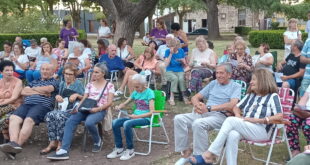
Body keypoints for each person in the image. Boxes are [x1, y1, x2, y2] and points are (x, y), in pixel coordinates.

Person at [189, 69, 283, 165]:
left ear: (263, 80)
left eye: (254, 80)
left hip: (262, 131)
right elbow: (236, 107)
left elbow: (279, 116)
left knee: (230, 120)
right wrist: (238, 116)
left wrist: (258, 120)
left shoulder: (273, 96)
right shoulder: (251, 95)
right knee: (232, 134)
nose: (250, 82)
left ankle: (209, 154)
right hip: (248, 127)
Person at [174, 63, 241, 165]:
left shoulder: (235, 86)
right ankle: (185, 152)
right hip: (204, 113)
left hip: (220, 116)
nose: (218, 75)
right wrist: (197, 106)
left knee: (198, 123)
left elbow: (232, 105)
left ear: (229, 75)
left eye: (221, 73)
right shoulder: (213, 83)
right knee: (179, 118)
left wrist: (209, 108)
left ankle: (200, 158)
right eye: (217, 73)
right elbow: (194, 97)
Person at [47, 63, 114, 160]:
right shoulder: (90, 85)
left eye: (96, 72)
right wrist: (77, 107)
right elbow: (85, 98)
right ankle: (64, 150)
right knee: (70, 121)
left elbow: (110, 102)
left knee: (89, 123)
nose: (94, 74)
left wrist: (98, 109)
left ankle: (98, 140)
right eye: (93, 72)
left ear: (103, 73)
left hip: (100, 109)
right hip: (86, 108)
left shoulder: (109, 85)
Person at [0, 63, 58, 159]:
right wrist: (39, 91)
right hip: (26, 104)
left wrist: (32, 90)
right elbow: (23, 92)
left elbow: (48, 89)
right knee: (13, 118)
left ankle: (16, 146)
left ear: (52, 72)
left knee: (28, 120)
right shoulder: (34, 81)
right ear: (40, 70)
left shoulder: (54, 81)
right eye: (43, 69)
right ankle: (13, 144)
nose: (44, 71)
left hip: (42, 106)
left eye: (47, 69)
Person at [107, 74, 155, 160]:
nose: (135, 89)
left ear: (143, 84)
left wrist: (137, 116)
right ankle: (119, 148)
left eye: (137, 87)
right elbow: (125, 103)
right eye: (134, 87)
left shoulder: (150, 93)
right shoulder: (135, 92)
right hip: (134, 117)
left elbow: (151, 112)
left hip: (145, 119)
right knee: (115, 123)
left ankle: (130, 149)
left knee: (127, 123)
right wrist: (119, 106)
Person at [40, 63, 84, 155]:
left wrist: (76, 95)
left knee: (60, 116)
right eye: (66, 74)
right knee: (49, 115)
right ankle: (52, 142)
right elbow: (59, 95)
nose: (67, 76)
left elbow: (85, 98)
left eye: (70, 74)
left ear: (74, 75)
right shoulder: (62, 83)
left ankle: (61, 142)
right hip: (62, 108)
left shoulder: (78, 84)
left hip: (73, 110)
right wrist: (57, 96)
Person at [0, 61, 23, 144]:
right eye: (7, 70)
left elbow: (14, 98)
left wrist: (1, 102)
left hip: (14, 106)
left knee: (4, 117)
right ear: (1, 72)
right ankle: (5, 136)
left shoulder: (18, 82)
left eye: (11, 70)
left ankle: (6, 137)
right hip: (3, 106)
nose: (10, 72)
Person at [286, 85, 310, 158]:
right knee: (290, 119)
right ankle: (295, 150)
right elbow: (304, 99)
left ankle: (309, 149)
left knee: (307, 124)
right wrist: (299, 107)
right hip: (305, 110)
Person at [164, 38, 189, 105]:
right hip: (169, 70)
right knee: (174, 78)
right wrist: (171, 54)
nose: (175, 48)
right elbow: (166, 64)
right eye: (173, 46)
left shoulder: (181, 51)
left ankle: (184, 97)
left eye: (176, 47)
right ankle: (171, 98)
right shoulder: (167, 51)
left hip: (179, 70)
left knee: (181, 79)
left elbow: (185, 65)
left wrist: (182, 61)